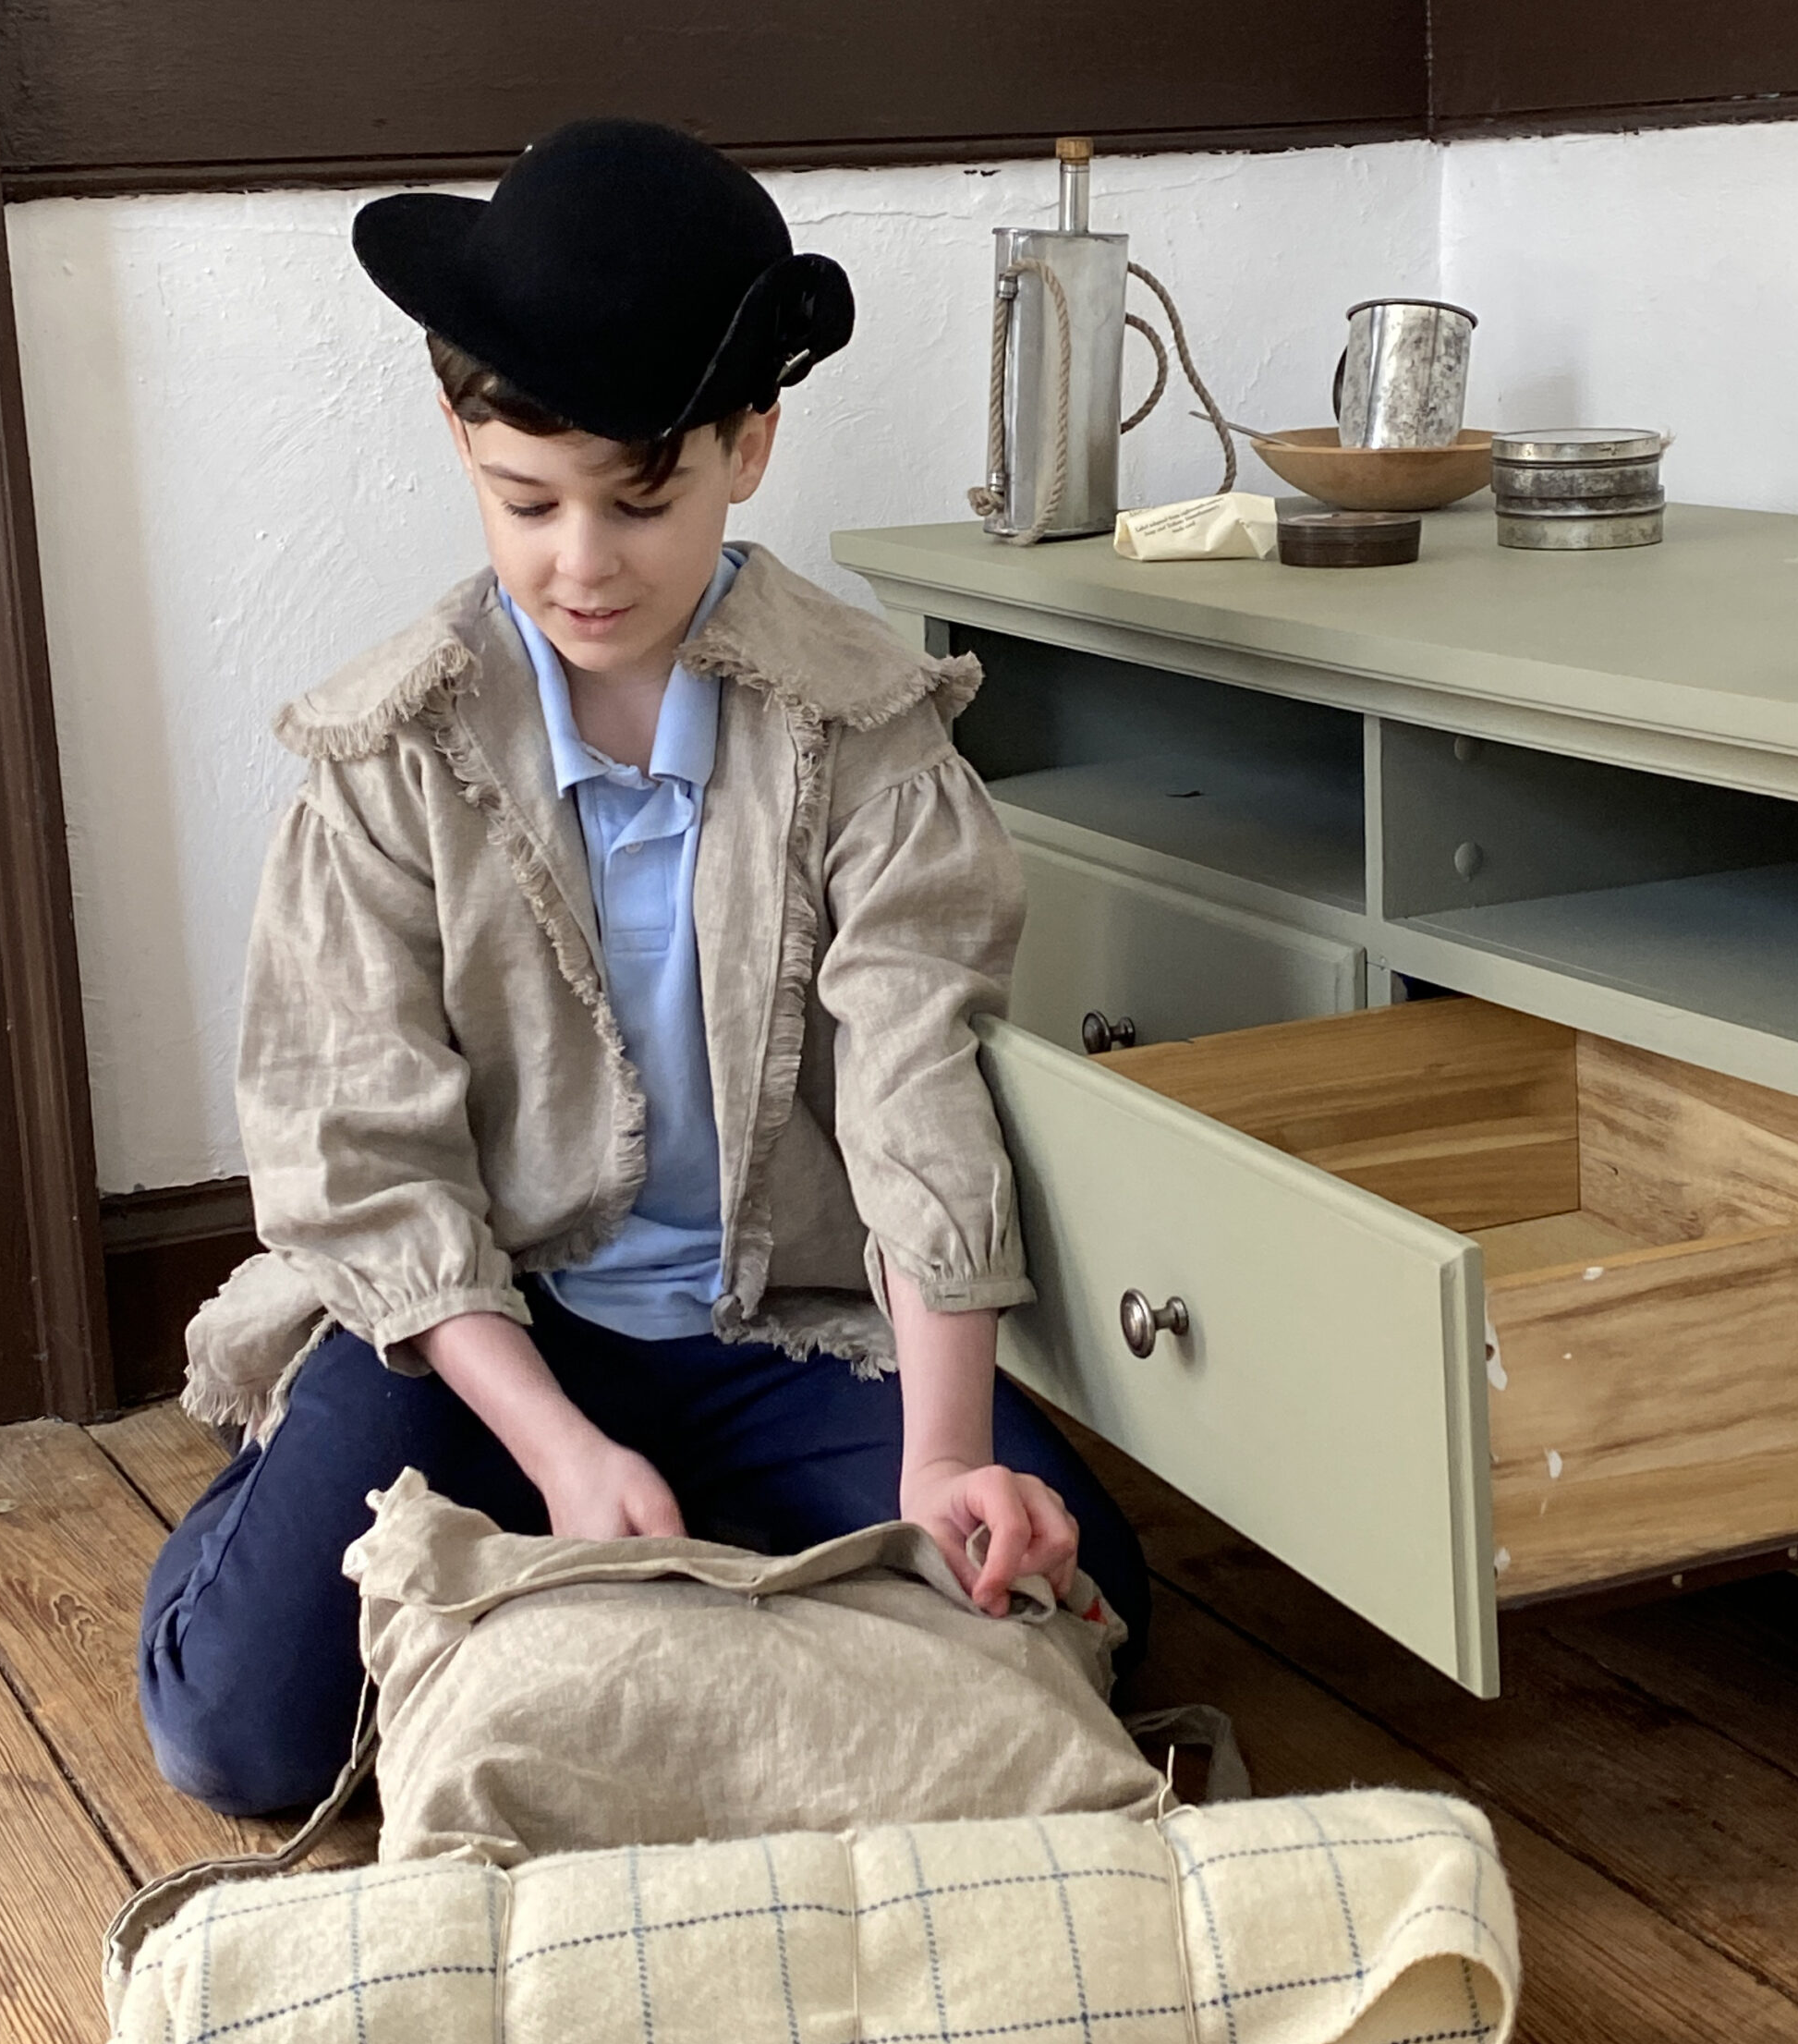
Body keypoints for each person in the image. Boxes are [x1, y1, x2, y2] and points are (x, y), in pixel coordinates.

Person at [139, 117, 1150, 1817]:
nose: (583, 563)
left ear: (750, 445)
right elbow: (364, 1153)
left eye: (642, 498)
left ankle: (657, 1559)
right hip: (490, 1340)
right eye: (527, 504)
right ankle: (401, 1508)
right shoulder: (393, 761)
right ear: (457, 437)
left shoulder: (866, 742)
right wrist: (552, 1443)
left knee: (1074, 1595)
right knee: (237, 1737)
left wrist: (945, 1459)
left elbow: (915, 1096)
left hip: (785, 1337)